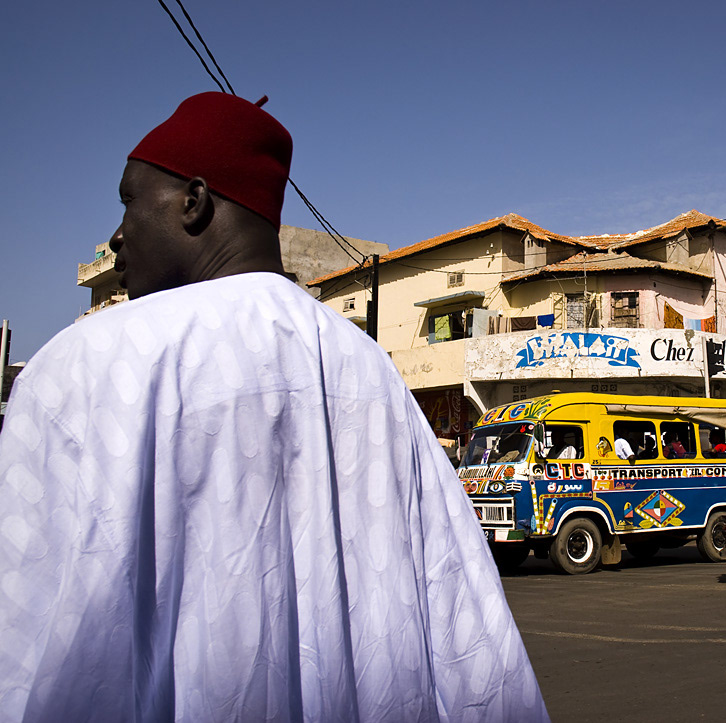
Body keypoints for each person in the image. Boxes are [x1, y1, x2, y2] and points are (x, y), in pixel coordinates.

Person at [0, 93, 548, 722]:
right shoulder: (373, 375)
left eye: (128, 200)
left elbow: (24, 645)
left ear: (194, 202)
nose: (117, 234)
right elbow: (466, 629)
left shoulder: (81, 368)